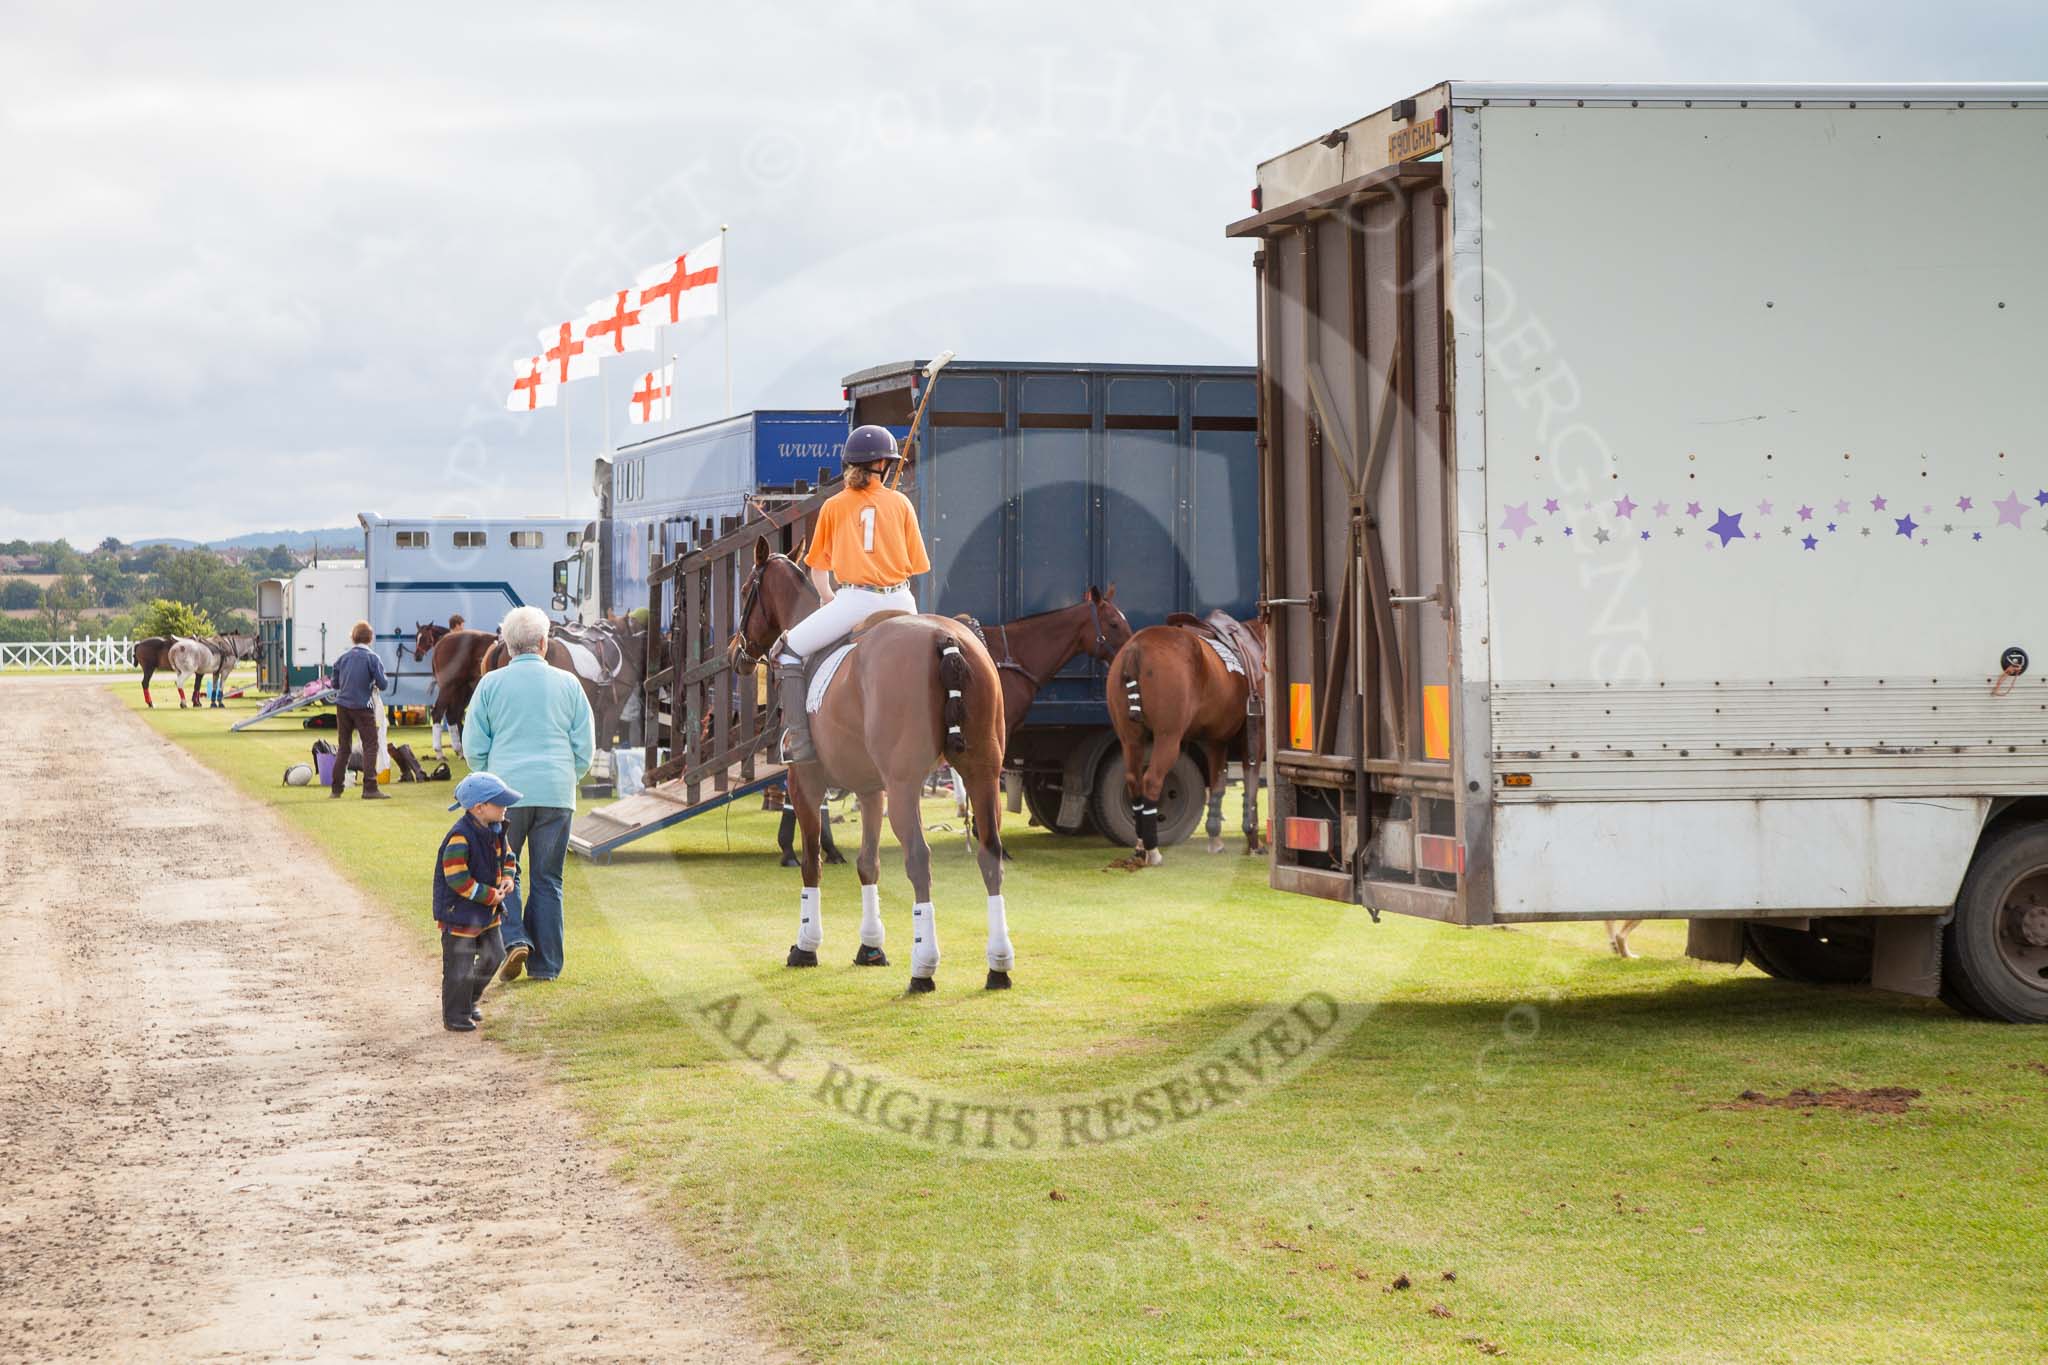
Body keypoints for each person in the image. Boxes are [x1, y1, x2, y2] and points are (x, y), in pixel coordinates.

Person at [774, 424, 932, 762]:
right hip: (902, 600)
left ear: (851, 466)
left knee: (787, 651)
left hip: (856, 600)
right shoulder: (901, 503)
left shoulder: (834, 506)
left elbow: (818, 569)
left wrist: (827, 595)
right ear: (884, 465)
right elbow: (918, 566)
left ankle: (799, 741)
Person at [465, 606, 594, 983]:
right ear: (544, 641)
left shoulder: (490, 684)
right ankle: (547, 965)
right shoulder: (569, 683)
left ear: (507, 645)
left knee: (506, 871)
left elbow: (474, 746)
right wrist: (569, 776)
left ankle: (515, 938)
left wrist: (487, 781)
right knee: (549, 878)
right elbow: (584, 745)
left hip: (505, 793)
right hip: (555, 790)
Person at [434, 773, 520, 1032]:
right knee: (459, 965)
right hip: (459, 913)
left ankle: (469, 1000)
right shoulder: (460, 837)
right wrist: (490, 895)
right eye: (500, 802)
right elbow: (457, 878)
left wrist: (507, 877)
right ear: (479, 807)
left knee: (495, 954)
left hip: (485, 912)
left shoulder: (497, 830)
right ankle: (455, 1015)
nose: (505, 807)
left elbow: (508, 857)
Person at [329, 620, 390, 801]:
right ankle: (370, 786)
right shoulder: (372, 658)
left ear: (354, 637)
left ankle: (336, 788)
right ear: (370, 638)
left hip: (343, 705)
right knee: (371, 745)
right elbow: (383, 684)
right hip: (364, 705)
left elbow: (335, 683)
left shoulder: (343, 657)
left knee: (344, 747)